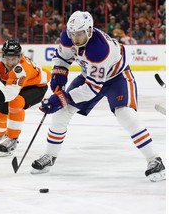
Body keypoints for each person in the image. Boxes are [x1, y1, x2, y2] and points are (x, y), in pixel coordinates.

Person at [31, 11, 166, 182]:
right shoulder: (68, 36)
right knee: (61, 113)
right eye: (72, 33)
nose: (74, 38)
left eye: (79, 34)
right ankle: (50, 156)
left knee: (126, 115)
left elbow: (91, 90)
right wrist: (59, 76)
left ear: (89, 30)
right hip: (90, 75)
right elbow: (62, 57)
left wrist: (61, 98)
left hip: (117, 77)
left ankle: (154, 159)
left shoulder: (100, 49)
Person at [0, 40, 51, 156]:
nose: (10, 63)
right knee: (2, 105)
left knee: (15, 102)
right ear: (2, 55)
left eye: (14, 59)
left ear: (19, 56)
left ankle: (12, 138)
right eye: (7, 59)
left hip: (35, 86)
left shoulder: (22, 68)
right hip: (16, 86)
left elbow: (11, 92)